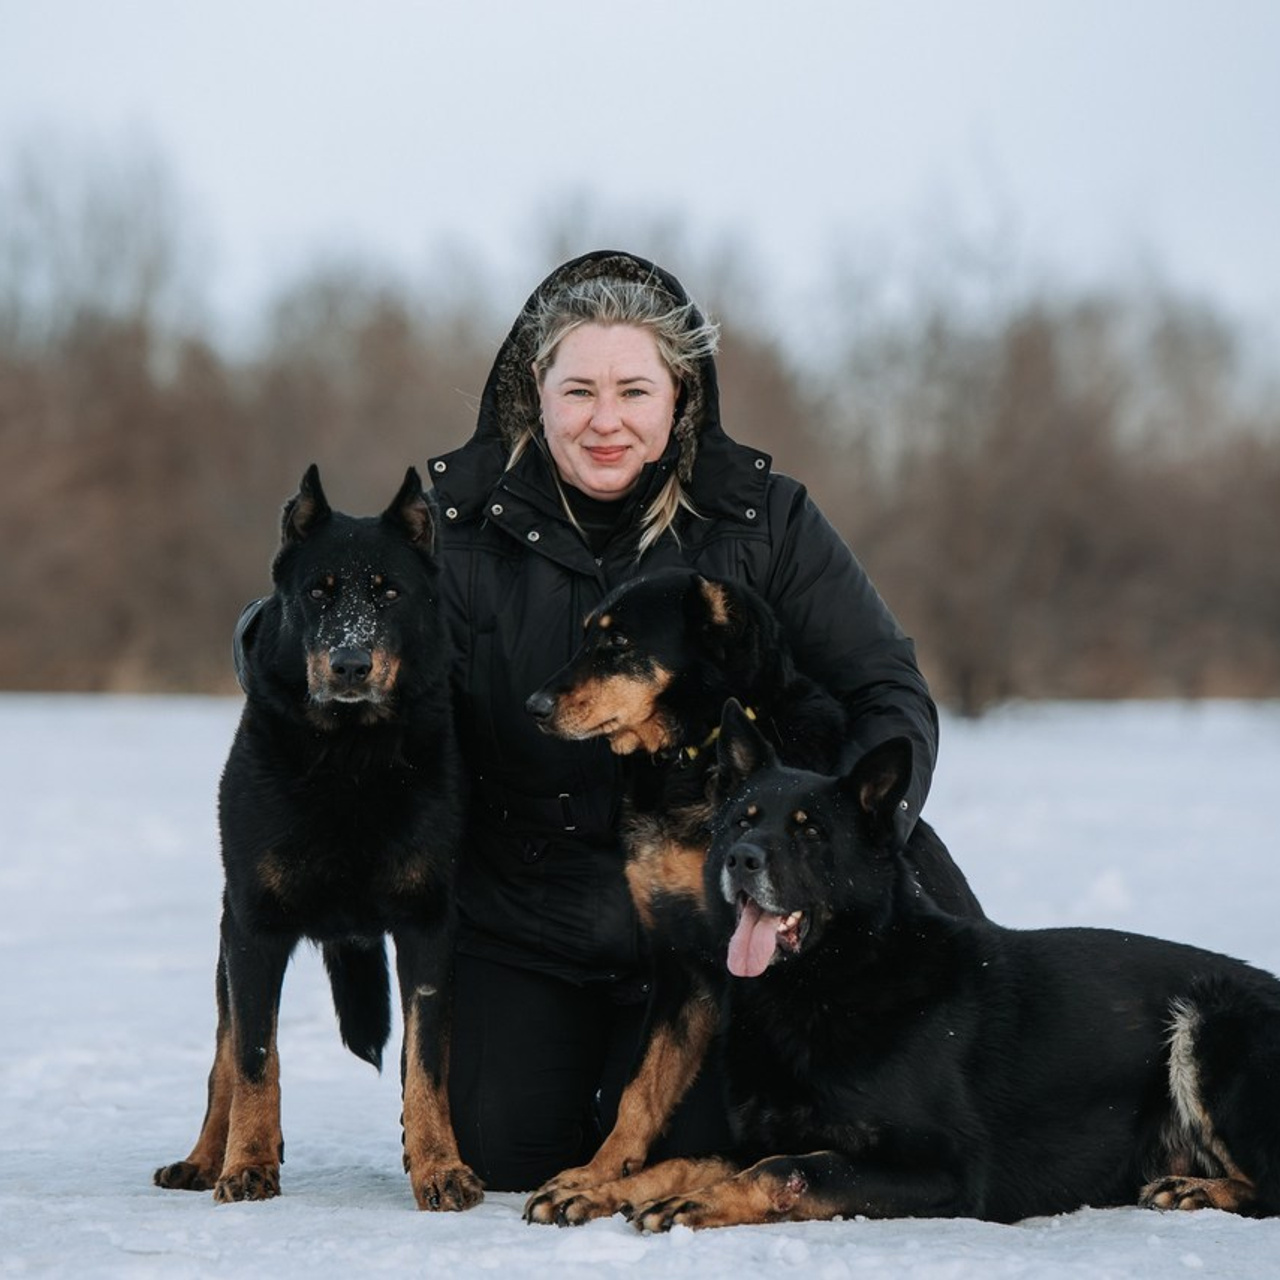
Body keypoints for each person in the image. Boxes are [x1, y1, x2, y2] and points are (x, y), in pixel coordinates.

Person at [427, 249, 977, 1193]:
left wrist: (844, 843)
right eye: (579, 390)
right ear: (536, 394)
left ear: (679, 397)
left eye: (634, 391)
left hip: (732, 922)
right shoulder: (456, 526)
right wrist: (280, 638)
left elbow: (887, 689)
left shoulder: (763, 519)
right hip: (531, 920)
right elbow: (334, 626)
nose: (605, 420)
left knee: (721, 1140)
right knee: (501, 1152)